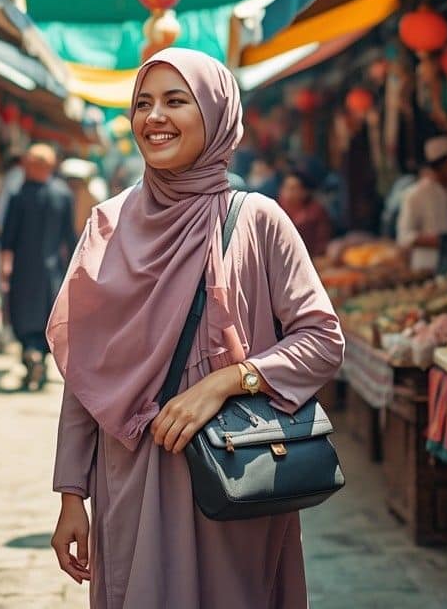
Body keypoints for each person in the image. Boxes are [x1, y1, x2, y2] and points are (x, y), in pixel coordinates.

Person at [48, 49, 344, 608]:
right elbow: (86, 370)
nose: (154, 117)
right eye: (143, 103)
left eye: (175, 101)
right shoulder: (107, 226)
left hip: (233, 471)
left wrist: (228, 381)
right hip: (131, 474)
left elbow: (323, 339)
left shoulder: (256, 220)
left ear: (214, 114)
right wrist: (70, 493)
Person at [1, 144, 76, 390]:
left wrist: (5, 264)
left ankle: (30, 355)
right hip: (52, 270)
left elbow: (8, 236)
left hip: (24, 269)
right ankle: (39, 358)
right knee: (46, 316)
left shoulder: (20, 196)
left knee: (23, 316)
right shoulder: (63, 194)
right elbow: (70, 237)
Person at [396, 135, 447, 273]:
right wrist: (439, 241)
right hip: (427, 268)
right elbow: (404, 237)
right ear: (442, 164)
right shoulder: (416, 195)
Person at [277, 169, 332, 257]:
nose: (287, 193)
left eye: (293, 189)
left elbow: (322, 245)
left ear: (305, 192)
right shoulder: (276, 210)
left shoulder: (316, 212)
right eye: (285, 187)